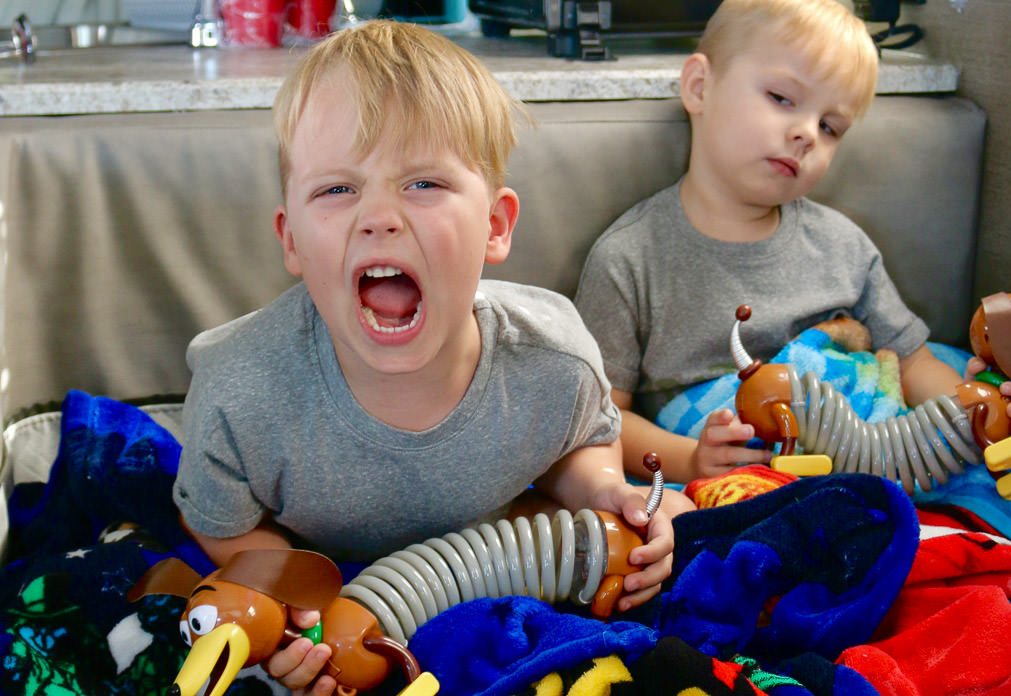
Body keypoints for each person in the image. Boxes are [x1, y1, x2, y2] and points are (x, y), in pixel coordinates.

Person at [171, 20, 674, 696]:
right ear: (291, 242)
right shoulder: (240, 395)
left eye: (423, 185)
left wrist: (606, 494)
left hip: (479, 569)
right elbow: (216, 525)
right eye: (337, 190)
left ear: (495, 226)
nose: (379, 216)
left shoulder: (554, 363)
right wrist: (294, 607)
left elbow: (574, 450)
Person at [574, 0, 967, 487]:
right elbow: (601, 422)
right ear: (700, 88)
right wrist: (691, 459)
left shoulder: (844, 246)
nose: (805, 133)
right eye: (782, 97)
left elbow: (912, 363)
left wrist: (977, 411)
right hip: (732, 474)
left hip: (866, 462)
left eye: (829, 127)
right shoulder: (628, 260)